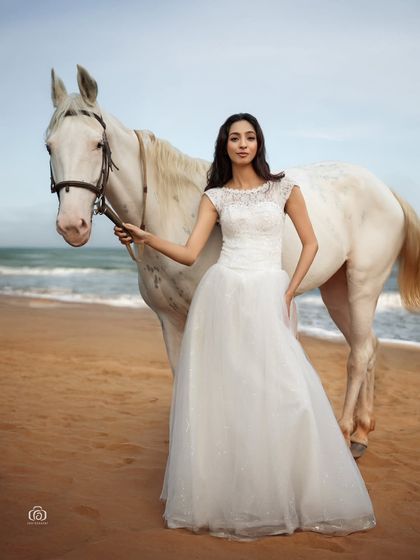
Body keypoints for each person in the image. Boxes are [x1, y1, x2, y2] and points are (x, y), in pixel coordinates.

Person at [113, 113, 376, 541]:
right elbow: (188, 252)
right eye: (235, 137)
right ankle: (235, 488)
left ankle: (288, 484)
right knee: (232, 388)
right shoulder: (214, 196)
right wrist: (144, 236)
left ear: (259, 144)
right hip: (224, 295)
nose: (242, 144)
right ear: (225, 144)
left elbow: (311, 244)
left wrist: (290, 291)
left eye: (250, 137)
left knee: (287, 389)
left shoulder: (284, 188)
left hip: (269, 291)